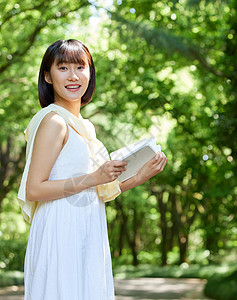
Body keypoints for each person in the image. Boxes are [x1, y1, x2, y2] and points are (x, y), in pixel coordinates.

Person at [17, 39, 167, 300]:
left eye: (80, 67)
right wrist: (93, 177)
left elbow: (96, 190)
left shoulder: (84, 128)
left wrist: (140, 176)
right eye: (62, 68)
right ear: (47, 76)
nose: (73, 76)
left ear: (90, 73)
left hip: (87, 227)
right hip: (60, 228)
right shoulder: (54, 121)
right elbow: (34, 188)